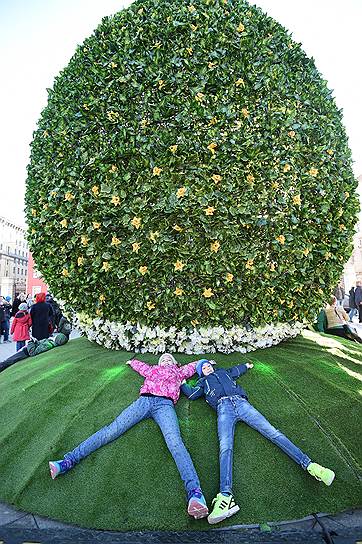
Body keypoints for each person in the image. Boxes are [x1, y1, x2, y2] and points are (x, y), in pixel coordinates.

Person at [48, 353, 209, 520]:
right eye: (163, 358)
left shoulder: (180, 372)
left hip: (165, 405)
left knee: (175, 443)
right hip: (143, 402)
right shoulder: (153, 370)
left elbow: (193, 366)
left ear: (175, 363)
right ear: (158, 363)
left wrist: (205, 362)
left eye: (169, 359)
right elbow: (142, 367)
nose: (166, 360)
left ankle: (195, 494)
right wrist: (132, 361)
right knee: (111, 430)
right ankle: (67, 461)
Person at [181, 359, 335, 525]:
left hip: (241, 403)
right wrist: (182, 383)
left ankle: (312, 466)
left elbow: (235, 370)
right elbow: (191, 394)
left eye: (208, 366)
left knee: (273, 433)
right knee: (225, 447)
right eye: (203, 368)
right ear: (200, 372)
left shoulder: (223, 371)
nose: (207, 368)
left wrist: (246, 366)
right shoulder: (202, 382)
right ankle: (226, 496)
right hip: (223, 407)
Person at [0, 333, 69, 373]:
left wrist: (30, 341)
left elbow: (32, 352)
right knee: (8, 361)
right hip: (25, 350)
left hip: (25, 352)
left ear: (58, 338)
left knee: (8, 361)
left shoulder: (48, 345)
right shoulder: (50, 342)